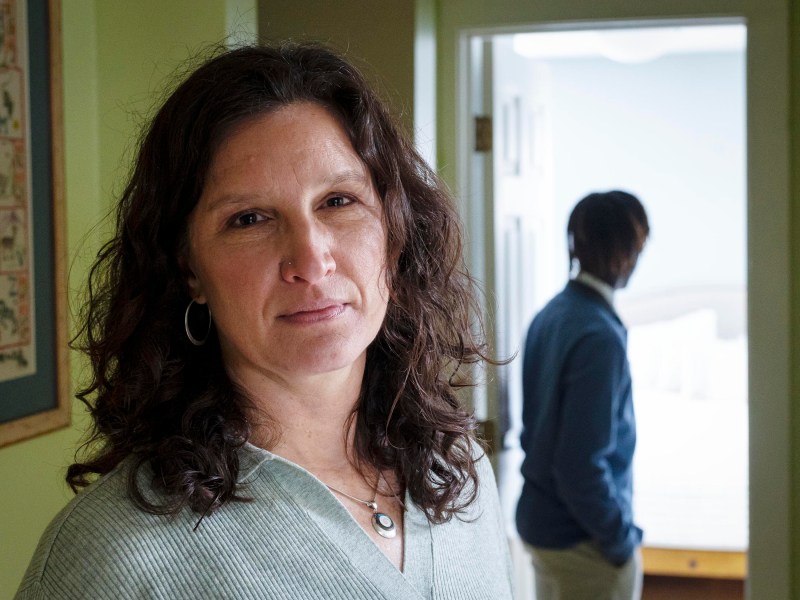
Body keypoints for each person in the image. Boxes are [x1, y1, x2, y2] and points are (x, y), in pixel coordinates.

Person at [15, 43, 513, 600]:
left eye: (338, 201)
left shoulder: (458, 470)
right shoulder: (113, 556)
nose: (310, 259)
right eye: (248, 218)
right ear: (188, 270)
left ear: (395, 234)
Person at [515, 190, 649, 600]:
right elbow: (579, 467)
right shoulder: (599, 337)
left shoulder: (550, 314)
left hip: (540, 527)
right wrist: (620, 540)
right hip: (582, 540)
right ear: (625, 251)